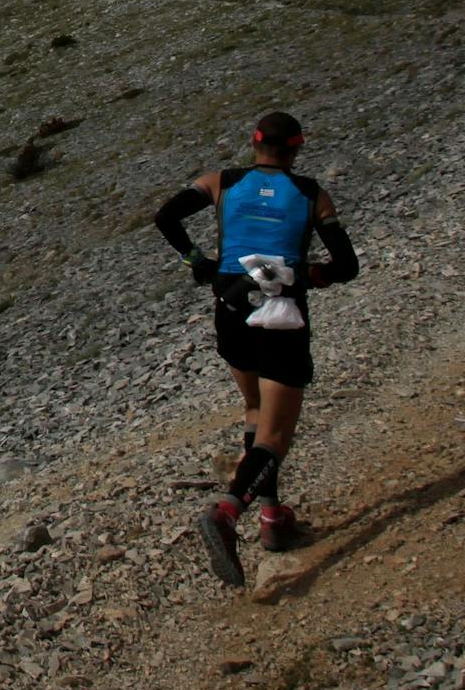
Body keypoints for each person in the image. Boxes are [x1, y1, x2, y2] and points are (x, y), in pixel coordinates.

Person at [154, 112, 360, 585]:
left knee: (254, 409)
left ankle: (272, 518)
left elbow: (165, 217)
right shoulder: (312, 195)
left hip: (231, 306)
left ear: (254, 142)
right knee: (276, 434)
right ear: (296, 148)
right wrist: (308, 275)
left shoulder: (222, 183)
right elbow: (346, 265)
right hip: (282, 312)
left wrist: (197, 261)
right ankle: (228, 512)